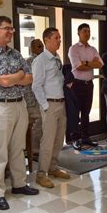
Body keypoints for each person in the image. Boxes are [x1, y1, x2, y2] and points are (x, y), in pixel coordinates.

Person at [0, 16, 39, 211]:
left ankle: (19, 184)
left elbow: (29, 78)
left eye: (12, 28)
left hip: (19, 104)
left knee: (18, 148)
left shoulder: (15, 54)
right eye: (6, 28)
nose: (10, 32)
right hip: (0, 107)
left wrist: (17, 77)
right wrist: (19, 76)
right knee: (0, 152)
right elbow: (3, 82)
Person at [32, 27, 70, 188]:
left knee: (58, 139)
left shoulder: (57, 57)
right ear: (47, 40)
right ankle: (41, 174)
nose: (59, 41)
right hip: (50, 104)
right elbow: (36, 86)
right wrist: (46, 106)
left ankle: (53, 167)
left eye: (60, 38)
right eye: (56, 38)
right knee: (47, 141)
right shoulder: (40, 60)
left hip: (61, 103)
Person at [68, 23, 103, 149]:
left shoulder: (93, 49)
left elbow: (100, 65)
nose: (87, 33)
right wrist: (90, 64)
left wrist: (87, 62)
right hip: (77, 84)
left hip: (89, 84)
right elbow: (79, 66)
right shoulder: (74, 49)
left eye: (88, 31)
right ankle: (75, 139)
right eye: (84, 31)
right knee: (75, 112)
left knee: (86, 112)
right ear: (78, 33)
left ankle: (86, 137)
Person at [25, 38, 44, 155]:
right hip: (32, 98)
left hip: (41, 98)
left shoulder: (44, 59)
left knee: (40, 124)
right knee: (36, 123)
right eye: (39, 46)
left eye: (42, 46)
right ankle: (34, 150)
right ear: (32, 48)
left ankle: (37, 148)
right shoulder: (29, 61)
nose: (42, 48)